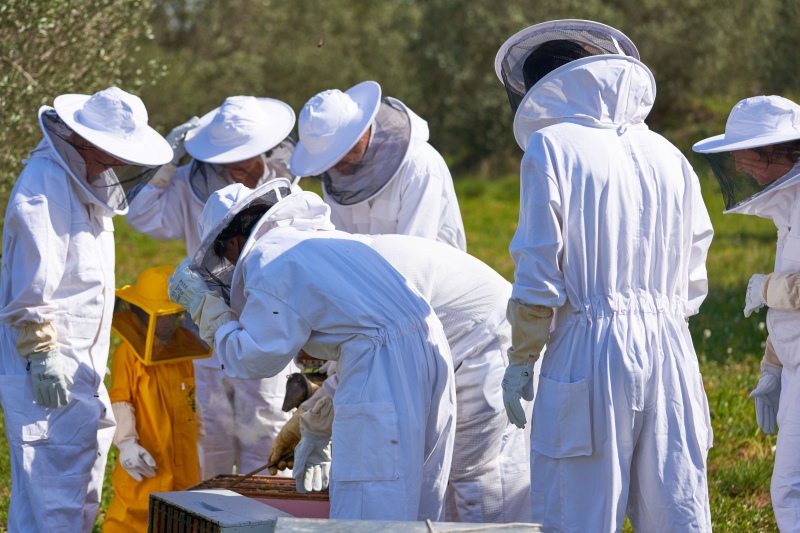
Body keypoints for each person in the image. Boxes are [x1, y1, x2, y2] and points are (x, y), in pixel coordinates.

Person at [495, 20, 715, 531]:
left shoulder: (551, 148)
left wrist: (522, 358)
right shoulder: (669, 154)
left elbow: (538, 269)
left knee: (579, 512)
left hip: (589, 350)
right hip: (671, 348)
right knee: (676, 509)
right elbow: (694, 267)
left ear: (542, 88)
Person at [168, 180, 456, 521]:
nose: (228, 265)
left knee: (368, 504)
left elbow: (252, 359)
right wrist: (318, 425)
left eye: (223, 256)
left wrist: (204, 305)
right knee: (416, 496)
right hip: (431, 349)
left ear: (233, 240)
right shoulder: (315, 239)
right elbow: (369, 335)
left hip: (386, 365)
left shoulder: (269, 257)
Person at [268, 233, 536, 523]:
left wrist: (315, 423)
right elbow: (358, 364)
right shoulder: (329, 282)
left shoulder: (340, 298)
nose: (306, 360)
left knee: (475, 477)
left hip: (485, 339)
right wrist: (307, 420)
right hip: (451, 339)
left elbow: (368, 366)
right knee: (440, 476)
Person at [0, 87, 171, 532]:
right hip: (50, 372)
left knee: (60, 502)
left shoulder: (81, 187)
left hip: (78, 373)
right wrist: (41, 351)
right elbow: (30, 281)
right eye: (109, 153)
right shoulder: (44, 188)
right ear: (82, 141)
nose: (114, 164)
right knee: (55, 506)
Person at [126, 95, 300, 479]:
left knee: (267, 424)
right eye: (229, 161)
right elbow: (140, 215)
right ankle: (213, 512)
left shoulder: (286, 180)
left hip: (269, 319)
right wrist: (166, 161)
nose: (240, 168)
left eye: (248, 157)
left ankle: (265, 515)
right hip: (206, 321)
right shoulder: (191, 184)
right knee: (211, 428)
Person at [693, 95, 800, 531]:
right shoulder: (789, 207)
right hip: (794, 369)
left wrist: (767, 288)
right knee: (788, 489)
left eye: (744, 153)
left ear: (775, 148)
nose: (737, 167)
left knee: (791, 489)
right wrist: (773, 366)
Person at [290, 81, 467, 251]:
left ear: (361, 130)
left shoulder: (419, 167)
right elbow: (342, 249)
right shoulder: (336, 178)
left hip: (432, 279)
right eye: (328, 159)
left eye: (340, 152)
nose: (335, 166)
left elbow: (414, 259)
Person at [103, 266, 210, 532]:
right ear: (144, 312)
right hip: (147, 460)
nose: (171, 322)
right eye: (164, 316)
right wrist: (126, 443)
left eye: (175, 315)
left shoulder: (182, 347)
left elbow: (191, 399)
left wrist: (198, 438)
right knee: (134, 515)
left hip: (182, 462)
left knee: (182, 519)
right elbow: (120, 399)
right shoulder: (128, 354)